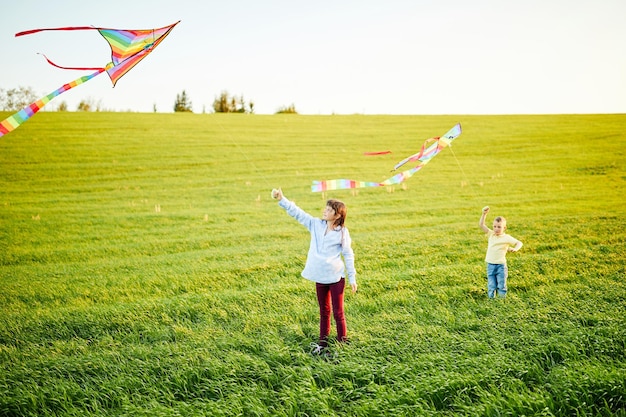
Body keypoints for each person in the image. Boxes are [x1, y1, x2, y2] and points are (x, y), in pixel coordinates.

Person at [272, 188, 357, 355]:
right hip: (320, 276)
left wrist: (352, 277)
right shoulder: (315, 225)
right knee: (324, 311)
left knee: (338, 312)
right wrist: (282, 199)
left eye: (329, 210)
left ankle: (342, 343)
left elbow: (348, 254)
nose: (324, 211)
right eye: (325, 208)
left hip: (336, 277)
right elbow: (298, 213)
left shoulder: (342, 233)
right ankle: (323, 344)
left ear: (338, 215)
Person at [479, 206, 523, 298]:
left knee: (501, 285)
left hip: (501, 266)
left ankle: (501, 301)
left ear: (504, 228)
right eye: (494, 226)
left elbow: (519, 243)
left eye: (499, 227)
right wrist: (484, 214)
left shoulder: (506, 237)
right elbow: (481, 225)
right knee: (491, 285)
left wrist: (515, 249)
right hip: (490, 265)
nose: (496, 229)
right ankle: (491, 300)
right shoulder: (491, 234)